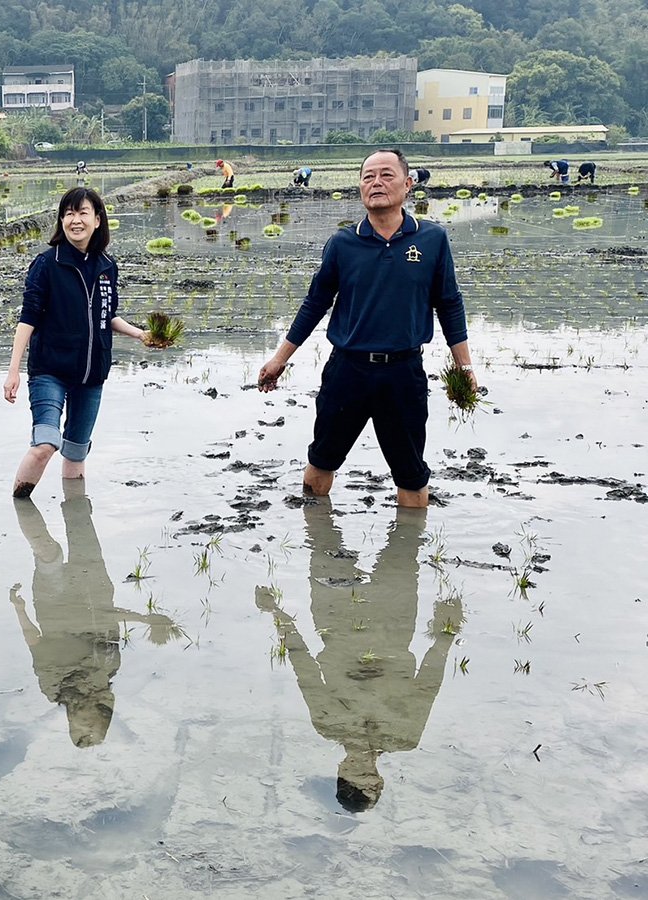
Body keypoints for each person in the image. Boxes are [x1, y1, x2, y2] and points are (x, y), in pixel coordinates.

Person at [257, 148, 476, 509]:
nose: (376, 182)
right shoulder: (343, 243)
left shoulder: (433, 239)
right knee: (320, 463)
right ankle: (319, 545)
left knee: (411, 477)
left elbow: (449, 304)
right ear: (360, 187)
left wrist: (464, 367)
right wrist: (280, 359)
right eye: (368, 176)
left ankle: (405, 561)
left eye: (386, 175)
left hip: (403, 373)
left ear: (408, 184)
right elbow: (315, 303)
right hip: (348, 372)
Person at [255, 502, 457, 811]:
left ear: (340, 770)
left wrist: (276, 612)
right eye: (371, 778)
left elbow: (304, 667)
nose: (364, 769)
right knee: (406, 541)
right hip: (393, 624)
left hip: (336, 621)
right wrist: (447, 631)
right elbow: (430, 681)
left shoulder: (327, 724)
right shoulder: (404, 736)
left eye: (356, 775)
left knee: (322, 539)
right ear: (380, 780)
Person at [4, 187, 150, 498]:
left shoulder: (106, 267)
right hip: (50, 370)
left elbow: (106, 316)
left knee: (76, 453)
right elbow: (28, 317)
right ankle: (20, 509)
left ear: (97, 220)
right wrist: (13, 370)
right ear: (62, 220)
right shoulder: (47, 264)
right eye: (69, 213)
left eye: (83, 212)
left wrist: (140, 334)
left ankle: (77, 521)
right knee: (45, 444)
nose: (75, 220)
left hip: (91, 374)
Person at [10, 482, 175, 747]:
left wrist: (19, 609)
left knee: (48, 552)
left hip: (54, 601)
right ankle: (73, 472)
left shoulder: (53, 688)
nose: (83, 722)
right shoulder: (110, 668)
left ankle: (21, 504)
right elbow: (106, 618)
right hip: (93, 583)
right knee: (81, 522)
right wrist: (144, 619)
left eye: (79, 726)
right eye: (91, 724)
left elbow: (34, 642)